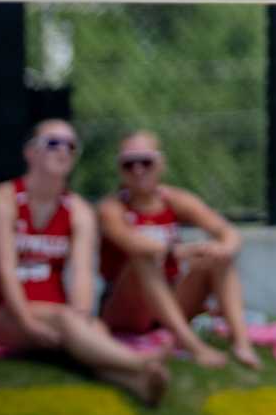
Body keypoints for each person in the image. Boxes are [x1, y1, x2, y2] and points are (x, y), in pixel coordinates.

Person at [0, 119, 170, 406]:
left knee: (91, 333)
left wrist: (83, 317)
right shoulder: (4, 198)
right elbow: (5, 270)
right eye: (53, 143)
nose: (63, 151)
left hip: (57, 314)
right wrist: (28, 323)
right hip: (2, 315)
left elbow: (82, 275)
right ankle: (140, 361)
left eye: (71, 146)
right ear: (30, 153)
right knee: (69, 324)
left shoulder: (78, 209)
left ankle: (137, 383)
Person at [94, 128, 259, 369]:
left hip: (169, 300)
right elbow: (132, 243)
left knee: (219, 258)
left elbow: (229, 233)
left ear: (160, 164)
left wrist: (220, 249)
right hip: (124, 307)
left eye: (145, 162)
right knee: (144, 258)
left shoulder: (175, 199)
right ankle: (194, 347)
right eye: (129, 164)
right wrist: (180, 250)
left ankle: (242, 343)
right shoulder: (111, 208)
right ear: (120, 169)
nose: (138, 170)